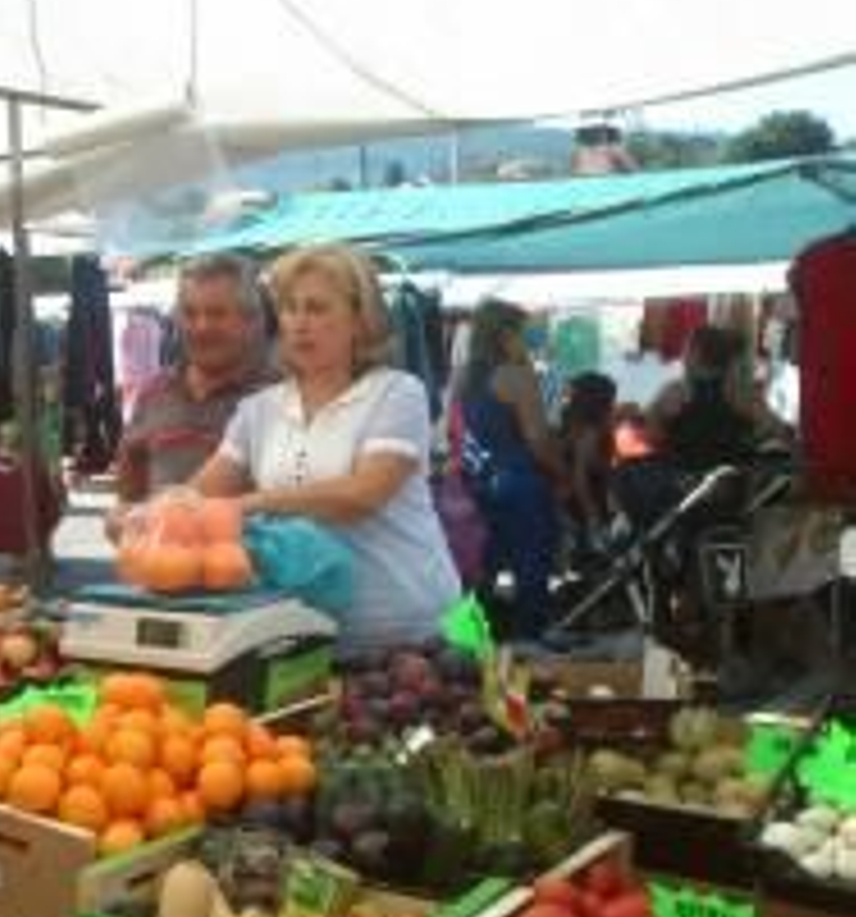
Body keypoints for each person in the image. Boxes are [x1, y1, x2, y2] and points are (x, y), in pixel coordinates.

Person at [191, 245, 460, 652]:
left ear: (358, 319)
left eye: (316, 309)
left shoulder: (397, 393)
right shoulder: (258, 410)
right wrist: (149, 515)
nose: (299, 324)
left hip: (415, 629)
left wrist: (250, 503)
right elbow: (199, 493)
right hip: (306, 633)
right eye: (289, 309)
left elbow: (361, 496)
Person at [107, 254, 273, 537]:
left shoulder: (279, 395)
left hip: (253, 574)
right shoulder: (154, 392)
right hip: (163, 573)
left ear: (251, 321)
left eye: (217, 313)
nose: (201, 326)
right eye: (190, 313)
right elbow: (128, 498)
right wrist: (119, 522)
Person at [457, 299, 563, 641]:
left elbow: (454, 432)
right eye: (523, 332)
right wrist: (562, 474)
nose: (527, 339)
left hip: (475, 482)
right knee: (531, 570)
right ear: (505, 334)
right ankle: (527, 648)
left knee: (478, 569)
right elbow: (537, 439)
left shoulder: (465, 376)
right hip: (519, 481)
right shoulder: (516, 374)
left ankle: (467, 647)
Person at [647, 324, 762, 474]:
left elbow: (653, 436)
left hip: (683, 484)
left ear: (695, 354)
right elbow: (772, 431)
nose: (682, 356)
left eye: (685, 349)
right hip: (729, 482)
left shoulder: (675, 391)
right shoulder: (742, 394)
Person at [558, 371, 618, 558]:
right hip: (584, 506)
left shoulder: (572, 426)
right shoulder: (589, 432)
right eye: (611, 400)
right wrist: (593, 516)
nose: (614, 405)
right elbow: (579, 478)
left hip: (574, 504)